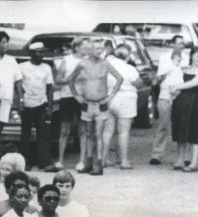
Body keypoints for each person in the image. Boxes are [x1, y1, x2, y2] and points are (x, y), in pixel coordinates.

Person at [68, 39, 123, 175]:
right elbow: (70, 79)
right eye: (97, 48)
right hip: (87, 103)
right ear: (90, 50)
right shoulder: (82, 64)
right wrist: (76, 95)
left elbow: (119, 78)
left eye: (101, 48)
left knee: (98, 134)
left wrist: (110, 96)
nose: (100, 51)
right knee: (87, 134)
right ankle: (88, 162)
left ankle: (98, 164)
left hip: (101, 103)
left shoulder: (105, 63)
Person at [18, 43, 56, 171]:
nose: (42, 55)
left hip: (42, 104)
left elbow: (50, 88)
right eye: (38, 52)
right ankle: (26, 162)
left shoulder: (47, 67)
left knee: (44, 135)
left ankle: (44, 162)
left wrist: (50, 106)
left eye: (43, 52)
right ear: (31, 53)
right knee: (25, 135)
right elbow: (18, 85)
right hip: (27, 104)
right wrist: (20, 100)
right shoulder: (22, 67)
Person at [170, 47, 198, 172]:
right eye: (197, 56)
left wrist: (177, 87)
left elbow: (195, 83)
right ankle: (180, 160)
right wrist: (174, 92)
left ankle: (194, 163)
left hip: (194, 103)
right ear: (191, 56)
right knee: (180, 129)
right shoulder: (185, 69)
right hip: (181, 102)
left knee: (194, 130)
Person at [104, 43, 140, 170]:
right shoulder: (130, 69)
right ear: (128, 55)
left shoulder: (107, 66)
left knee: (107, 131)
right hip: (126, 100)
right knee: (123, 132)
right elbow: (138, 83)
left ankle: (103, 159)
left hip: (109, 98)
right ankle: (124, 160)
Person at [53, 37, 84, 170]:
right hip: (67, 96)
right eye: (84, 47)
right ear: (76, 47)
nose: (86, 49)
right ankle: (60, 160)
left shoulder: (87, 61)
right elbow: (58, 80)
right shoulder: (67, 59)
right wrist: (71, 79)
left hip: (83, 98)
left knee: (83, 130)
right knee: (65, 130)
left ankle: (82, 161)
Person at [150, 48, 185, 165]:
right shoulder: (165, 69)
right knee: (163, 125)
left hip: (178, 99)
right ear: (171, 59)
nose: (178, 60)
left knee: (181, 127)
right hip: (165, 98)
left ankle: (182, 156)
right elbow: (155, 82)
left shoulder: (181, 70)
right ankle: (156, 154)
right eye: (176, 58)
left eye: (179, 59)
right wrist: (162, 76)